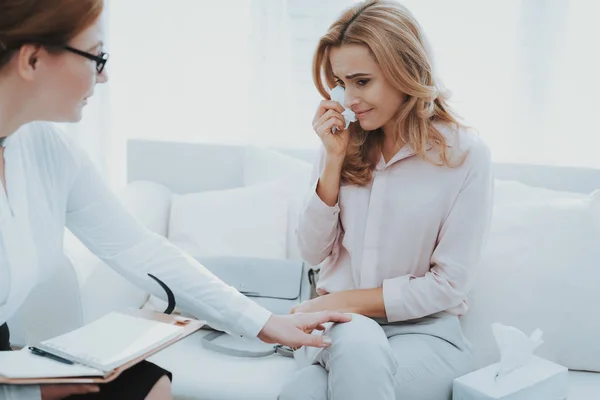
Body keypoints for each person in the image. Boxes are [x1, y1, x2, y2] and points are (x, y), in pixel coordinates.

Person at [0, 1, 352, 399]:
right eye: (97, 57)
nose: (105, 77)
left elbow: (140, 249)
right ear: (31, 60)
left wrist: (263, 321)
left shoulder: (46, 150)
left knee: (148, 381)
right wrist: (28, 391)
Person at [278, 1, 494, 399]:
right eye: (341, 83)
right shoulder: (340, 142)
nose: (349, 99)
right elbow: (311, 252)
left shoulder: (463, 154)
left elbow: (448, 284)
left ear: (404, 71)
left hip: (426, 335)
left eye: (362, 81)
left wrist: (342, 301)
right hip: (341, 329)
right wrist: (333, 161)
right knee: (351, 345)